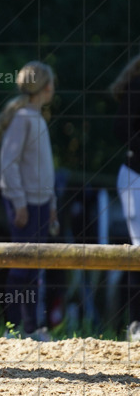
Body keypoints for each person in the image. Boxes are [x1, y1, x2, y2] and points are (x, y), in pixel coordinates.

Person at [0, 61, 58, 340]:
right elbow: (8, 164)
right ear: (46, 87)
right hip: (26, 204)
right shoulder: (23, 119)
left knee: (34, 265)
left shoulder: (37, 117)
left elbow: (43, 168)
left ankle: (31, 327)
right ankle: (17, 327)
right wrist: (19, 202)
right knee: (22, 265)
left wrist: (51, 203)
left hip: (40, 203)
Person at [110, 54, 140, 340]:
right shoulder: (137, 87)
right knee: (139, 249)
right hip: (135, 177)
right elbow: (120, 130)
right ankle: (135, 323)